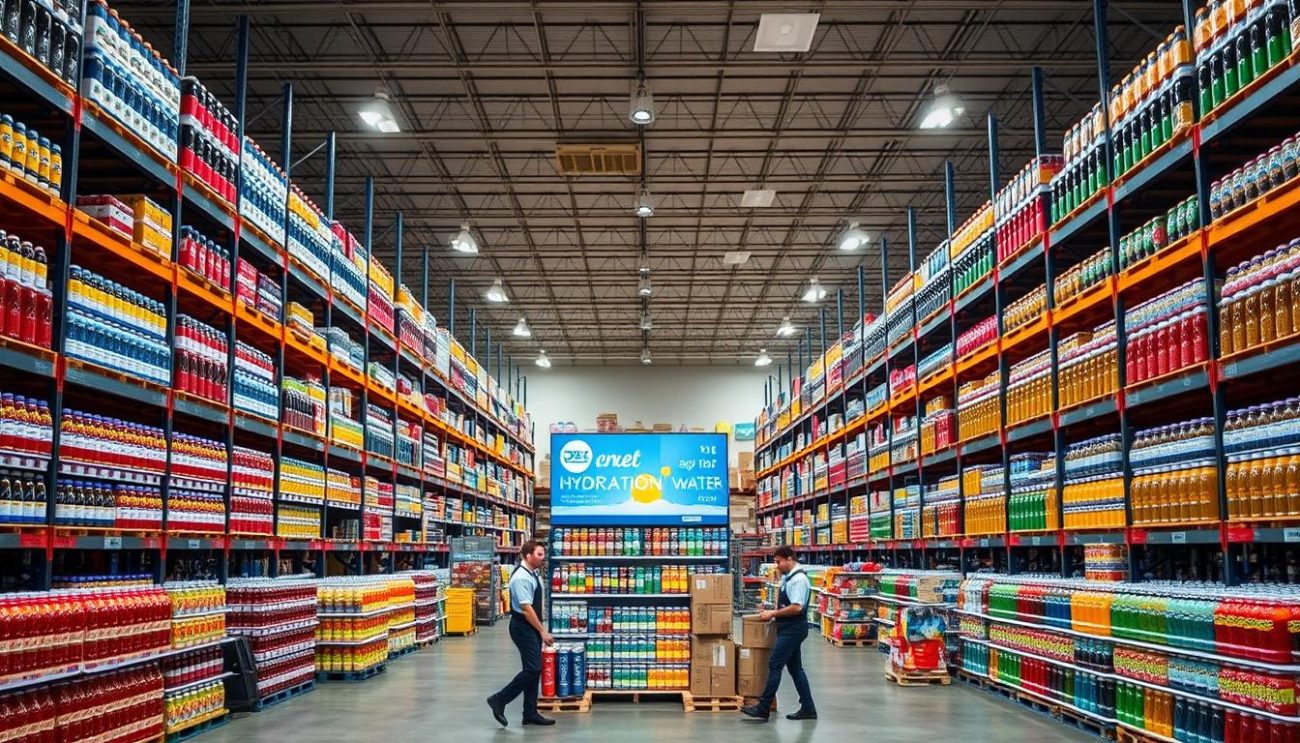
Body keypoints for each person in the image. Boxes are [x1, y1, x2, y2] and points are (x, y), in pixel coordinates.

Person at [740, 545, 817, 722]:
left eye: (779, 562)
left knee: (775, 665)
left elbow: (797, 607)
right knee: (795, 669)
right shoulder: (788, 578)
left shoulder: (798, 580)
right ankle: (808, 708)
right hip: (788, 628)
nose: (777, 566)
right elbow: (785, 604)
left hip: (793, 630)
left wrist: (774, 613)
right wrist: (770, 611)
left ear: (789, 559)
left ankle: (763, 708)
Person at [487, 541, 556, 727]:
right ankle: (499, 699)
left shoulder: (533, 573)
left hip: (531, 626)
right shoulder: (521, 578)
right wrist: (542, 631)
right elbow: (526, 609)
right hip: (523, 627)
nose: (543, 558)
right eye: (539, 554)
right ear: (528, 555)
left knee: (533, 669)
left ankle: (530, 713)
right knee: (533, 669)